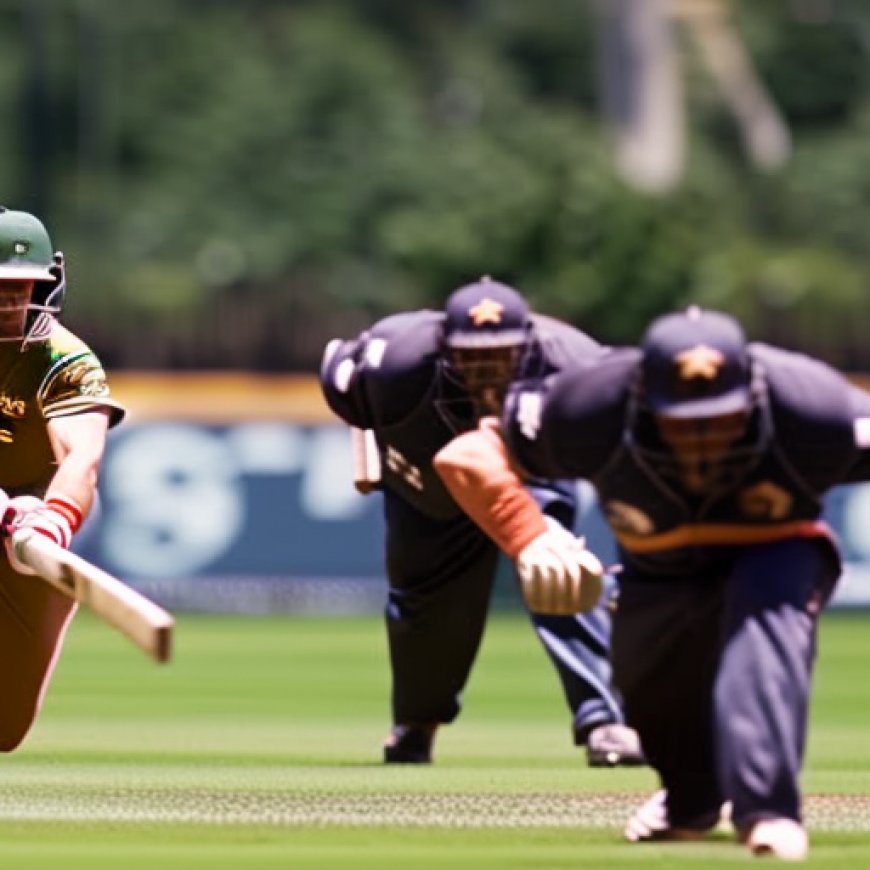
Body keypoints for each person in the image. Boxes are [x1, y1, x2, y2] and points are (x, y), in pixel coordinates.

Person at [433, 305, 870, 860]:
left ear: (754, 397)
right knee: (648, 684)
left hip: (776, 546)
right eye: (683, 423)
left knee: (762, 636)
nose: (701, 440)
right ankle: (689, 802)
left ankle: (768, 811)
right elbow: (467, 455)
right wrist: (529, 535)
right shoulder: (590, 406)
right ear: (642, 399)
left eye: (718, 418)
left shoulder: (812, 408)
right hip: (660, 564)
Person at [319, 276, 643, 767]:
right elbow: (341, 378)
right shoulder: (397, 359)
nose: (488, 372)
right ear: (445, 346)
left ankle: (604, 722)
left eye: (502, 355)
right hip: (428, 484)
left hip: (527, 468)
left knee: (558, 570)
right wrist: (373, 432)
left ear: (528, 344)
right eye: (472, 357)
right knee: (425, 606)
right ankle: (415, 725)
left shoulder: (572, 363)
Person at [0, 207, 124, 751]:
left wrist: (47, 522)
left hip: (21, 534)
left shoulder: (64, 358)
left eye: (24, 286)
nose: (11, 301)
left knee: (5, 728)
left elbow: (81, 458)